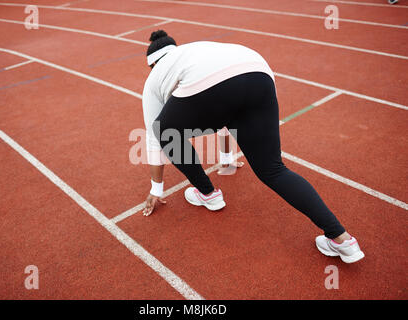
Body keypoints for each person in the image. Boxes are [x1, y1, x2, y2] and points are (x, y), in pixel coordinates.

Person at [141, 30, 364, 263]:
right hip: (259, 71)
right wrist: (226, 157)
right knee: (273, 169)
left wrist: (156, 189)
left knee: (164, 130)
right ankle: (342, 239)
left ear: (153, 64)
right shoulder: (196, 51)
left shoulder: (154, 78)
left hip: (215, 85)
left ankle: (208, 194)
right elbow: (225, 104)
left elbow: (153, 137)